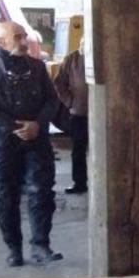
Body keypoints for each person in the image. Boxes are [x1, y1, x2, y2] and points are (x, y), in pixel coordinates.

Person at [0, 21, 63, 267]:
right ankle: (14, 249)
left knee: (41, 191)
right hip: (1, 144)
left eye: (24, 36)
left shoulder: (37, 67)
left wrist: (37, 124)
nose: (23, 42)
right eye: (17, 37)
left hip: (36, 140)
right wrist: (15, 127)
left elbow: (52, 100)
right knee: (7, 197)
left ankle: (41, 245)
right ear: (1, 42)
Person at [53, 48, 88, 195]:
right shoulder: (72, 58)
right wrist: (69, 102)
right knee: (78, 150)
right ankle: (79, 183)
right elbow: (59, 82)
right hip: (79, 112)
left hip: (104, 111)